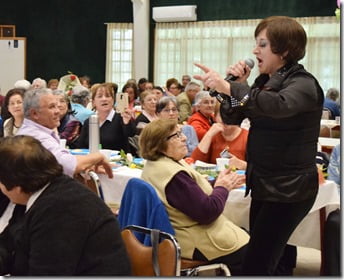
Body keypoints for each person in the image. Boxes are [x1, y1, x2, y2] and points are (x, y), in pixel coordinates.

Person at [194, 16, 324, 276]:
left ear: (284, 50)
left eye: (262, 45)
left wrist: (230, 86)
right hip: (267, 183)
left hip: (290, 189)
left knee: (257, 263)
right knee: (267, 258)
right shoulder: (266, 81)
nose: (255, 51)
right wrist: (229, 88)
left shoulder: (303, 83)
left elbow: (276, 106)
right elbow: (232, 116)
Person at [0, 135, 131, 276]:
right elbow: (8, 245)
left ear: (16, 187)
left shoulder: (63, 209)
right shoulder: (34, 191)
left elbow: (47, 273)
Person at [139, 119, 249, 275]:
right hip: (195, 239)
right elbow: (207, 212)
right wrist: (222, 188)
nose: (184, 138)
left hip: (183, 233)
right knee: (257, 251)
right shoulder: (174, 176)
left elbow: (190, 192)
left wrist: (218, 183)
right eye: (176, 135)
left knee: (249, 235)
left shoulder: (157, 165)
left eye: (181, 133)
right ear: (159, 144)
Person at [17, 87, 113, 178]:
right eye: (52, 107)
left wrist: (87, 163)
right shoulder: (36, 137)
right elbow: (68, 165)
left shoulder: (33, 130)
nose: (58, 111)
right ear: (34, 114)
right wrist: (97, 157)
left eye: (58, 106)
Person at [74, 83, 136, 152]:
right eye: (100, 96)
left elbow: (131, 133)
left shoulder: (121, 118)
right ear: (93, 102)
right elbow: (80, 146)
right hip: (93, 160)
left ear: (113, 100)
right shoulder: (89, 121)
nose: (104, 99)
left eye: (108, 96)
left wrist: (127, 122)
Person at [191, 103, 248, 169]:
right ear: (215, 117)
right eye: (222, 115)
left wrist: (244, 165)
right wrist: (208, 135)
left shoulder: (248, 137)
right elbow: (194, 162)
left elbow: (259, 169)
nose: (225, 120)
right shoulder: (213, 135)